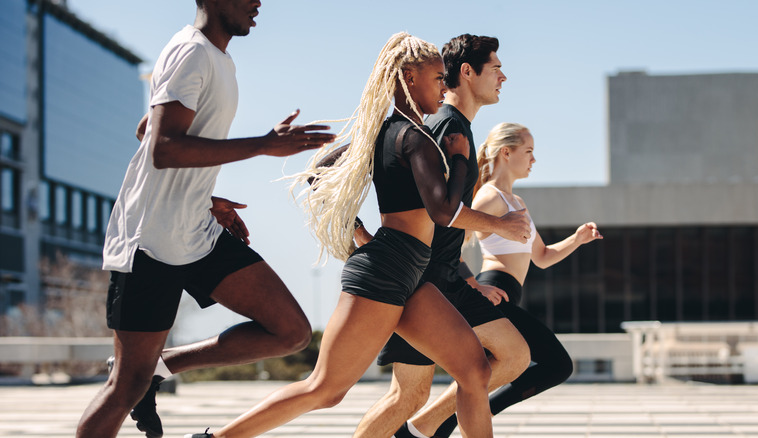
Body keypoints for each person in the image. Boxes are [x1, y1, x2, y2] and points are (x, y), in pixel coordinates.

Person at [184, 31, 531, 438]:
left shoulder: (388, 133)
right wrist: (458, 162)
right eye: (437, 78)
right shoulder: (413, 136)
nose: (443, 86)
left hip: (412, 275)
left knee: (473, 371)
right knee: (326, 389)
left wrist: (364, 234)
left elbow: (321, 170)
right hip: (383, 274)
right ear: (408, 78)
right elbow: (443, 211)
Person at [75, 1, 337, 437]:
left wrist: (204, 195)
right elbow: (162, 148)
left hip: (196, 230)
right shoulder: (191, 51)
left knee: (290, 331)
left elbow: (147, 131)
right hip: (151, 240)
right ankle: (142, 374)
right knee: (125, 386)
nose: (258, 3)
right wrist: (264, 145)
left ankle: (162, 366)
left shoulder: (218, 60)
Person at [354, 34, 532, 438]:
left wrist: (467, 277)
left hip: (438, 276)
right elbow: (438, 212)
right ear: (467, 72)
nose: (504, 76)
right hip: (426, 280)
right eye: (496, 67)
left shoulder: (454, 126)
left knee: (409, 395)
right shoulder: (444, 126)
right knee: (508, 357)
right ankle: (422, 427)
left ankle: (420, 428)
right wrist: (502, 227)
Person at [430, 122, 604, 436]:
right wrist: (474, 285)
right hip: (494, 292)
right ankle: (453, 419)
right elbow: (448, 246)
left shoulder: (517, 202)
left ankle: (439, 425)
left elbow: (542, 257)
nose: (534, 160)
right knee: (557, 365)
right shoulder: (489, 198)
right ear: (506, 153)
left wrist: (577, 239)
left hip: (509, 293)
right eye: (529, 152)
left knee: (481, 376)